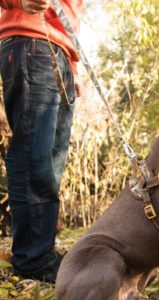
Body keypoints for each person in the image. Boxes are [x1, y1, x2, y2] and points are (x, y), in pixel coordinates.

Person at [0, 0, 83, 282]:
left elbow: (69, 16)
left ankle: (40, 252)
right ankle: (31, 259)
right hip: (30, 42)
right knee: (32, 156)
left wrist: (72, 64)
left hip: (60, 53)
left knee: (52, 164)